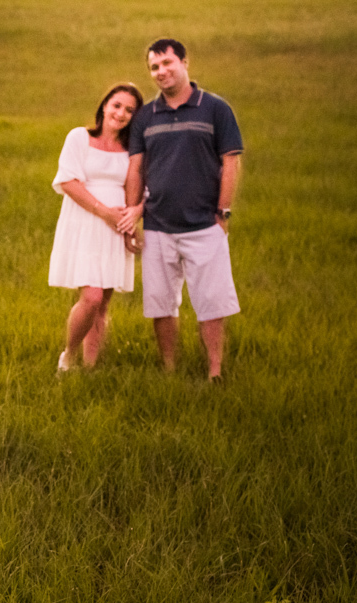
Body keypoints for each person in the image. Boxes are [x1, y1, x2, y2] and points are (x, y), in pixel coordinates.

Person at [122, 38, 244, 381]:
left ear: (185, 63)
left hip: (205, 225)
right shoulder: (146, 116)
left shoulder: (216, 109)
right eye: (154, 67)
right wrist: (133, 217)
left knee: (212, 304)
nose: (161, 72)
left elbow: (231, 162)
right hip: (159, 227)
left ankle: (215, 372)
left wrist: (223, 214)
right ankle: (169, 371)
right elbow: (136, 168)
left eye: (167, 63)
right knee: (160, 306)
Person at [48, 83, 145, 371]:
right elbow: (68, 182)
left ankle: (90, 368)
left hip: (115, 229)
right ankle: (69, 355)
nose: (121, 113)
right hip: (84, 223)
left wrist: (129, 228)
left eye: (130, 110)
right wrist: (105, 213)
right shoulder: (79, 137)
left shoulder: (131, 150)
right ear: (104, 106)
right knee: (90, 297)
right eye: (117, 105)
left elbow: (132, 187)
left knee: (102, 303)